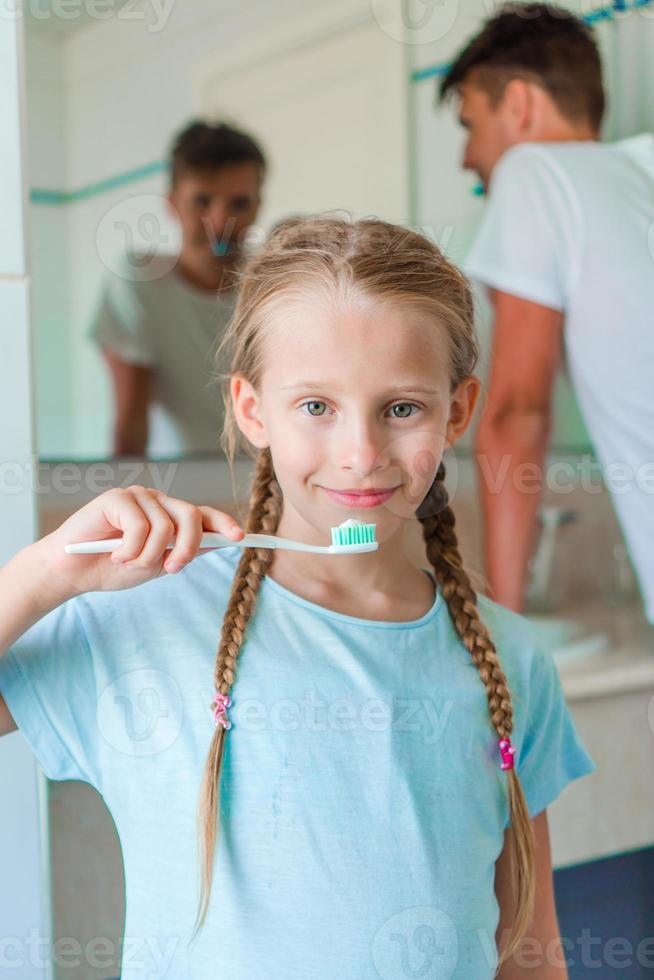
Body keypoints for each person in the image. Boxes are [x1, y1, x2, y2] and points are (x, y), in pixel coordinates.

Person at [0, 217, 595, 978]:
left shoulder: (511, 660)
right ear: (253, 412)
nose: (361, 455)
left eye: (402, 408)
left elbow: (531, 954)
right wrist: (49, 572)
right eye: (316, 406)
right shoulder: (148, 619)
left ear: (458, 411)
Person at [439, 3, 654, 622]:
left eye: (470, 122)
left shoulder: (534, 171)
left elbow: (516, 411)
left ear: (521, 106)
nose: (467, 156)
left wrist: (503, 629)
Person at [88, 120, 266, 457]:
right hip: (182, 487)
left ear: (258, 206)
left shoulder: (276, 285)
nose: (219, 223)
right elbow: (130, 424)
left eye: (239, 204)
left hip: (274, 486)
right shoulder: (140, 280)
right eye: (202, 201)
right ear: (171, 203)